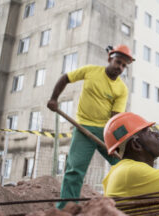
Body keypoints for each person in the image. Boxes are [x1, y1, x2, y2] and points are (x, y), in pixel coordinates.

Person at [47, 44, 134, 209]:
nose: (120, 67)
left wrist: (117, 142)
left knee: (125, 164)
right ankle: (66, 207)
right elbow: (65, 78)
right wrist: (54, 98)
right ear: (110, 59)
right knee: (75, 169)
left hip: (105, 131)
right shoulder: (91, 71)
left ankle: (128, 204)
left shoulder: (122, 89)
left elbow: (115, 117)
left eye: (124, 65)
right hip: (83, 128)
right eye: (118, 62)